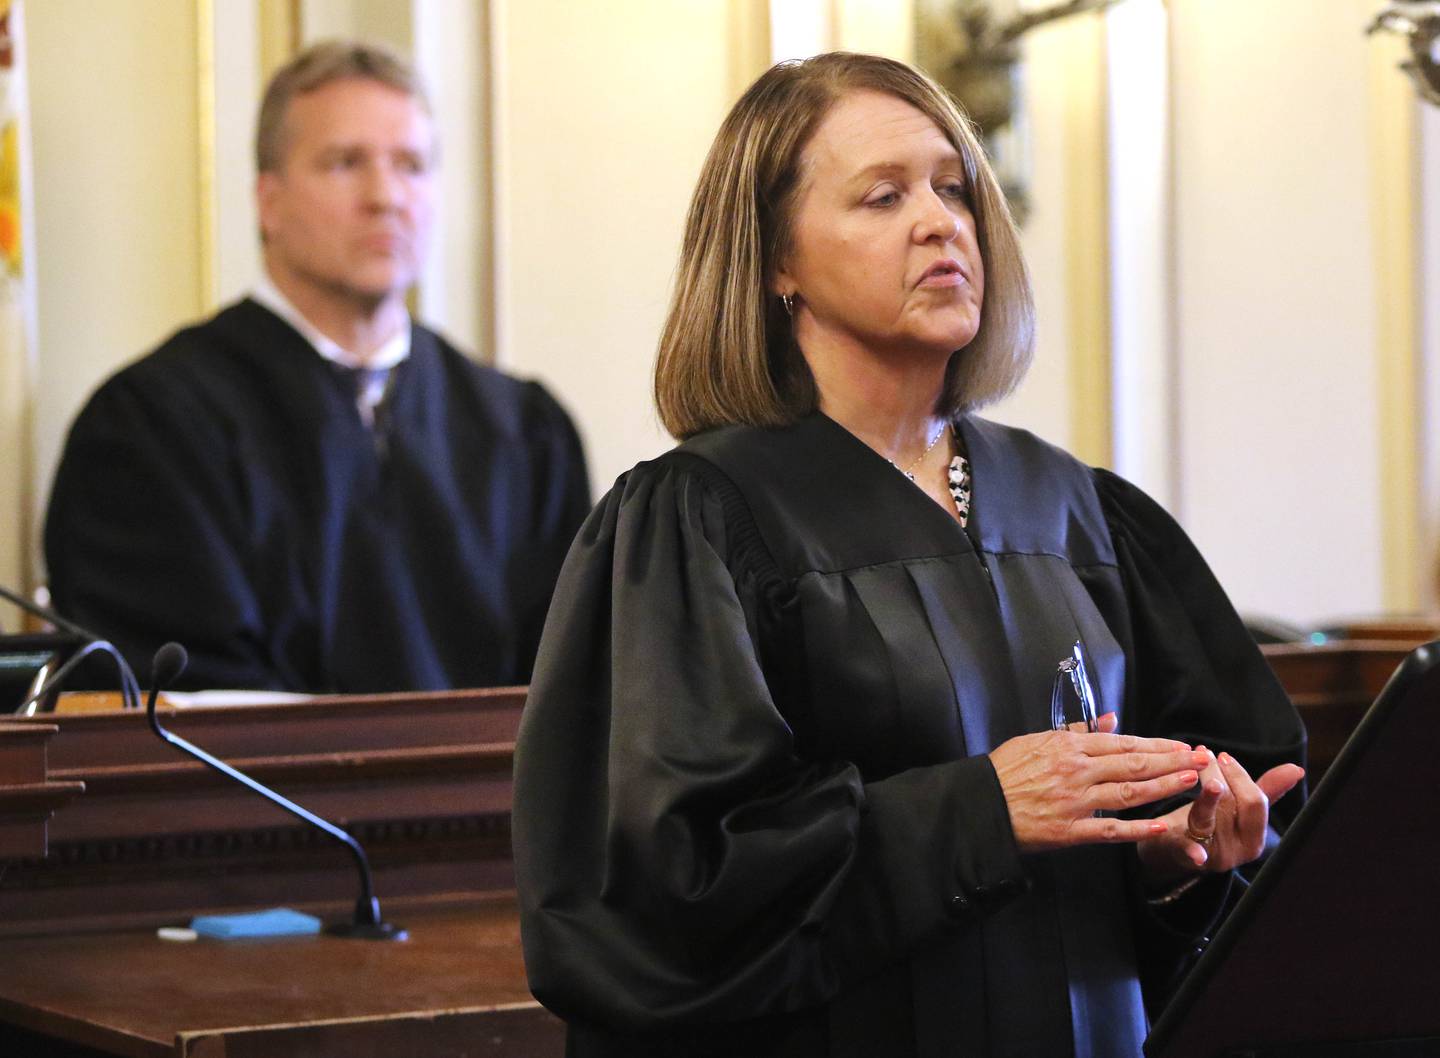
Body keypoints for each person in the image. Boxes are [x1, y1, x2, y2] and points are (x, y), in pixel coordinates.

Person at [513, 52, 1305, 1058]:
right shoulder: (700, 522)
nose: (940, 222)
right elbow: (664, 897)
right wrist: (981, 810)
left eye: (952, 188)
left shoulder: (1078, 515)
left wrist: (1179, 862)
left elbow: (1187, 887)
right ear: (775, 261)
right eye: (882, 197)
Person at [44, 41, 589, 693]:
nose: (386, 196)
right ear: (267, 201)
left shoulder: (524, 433)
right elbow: (181, 702)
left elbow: (571, 691)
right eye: (344, 163)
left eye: (412, 165)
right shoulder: (152, 427)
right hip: (266, 794)